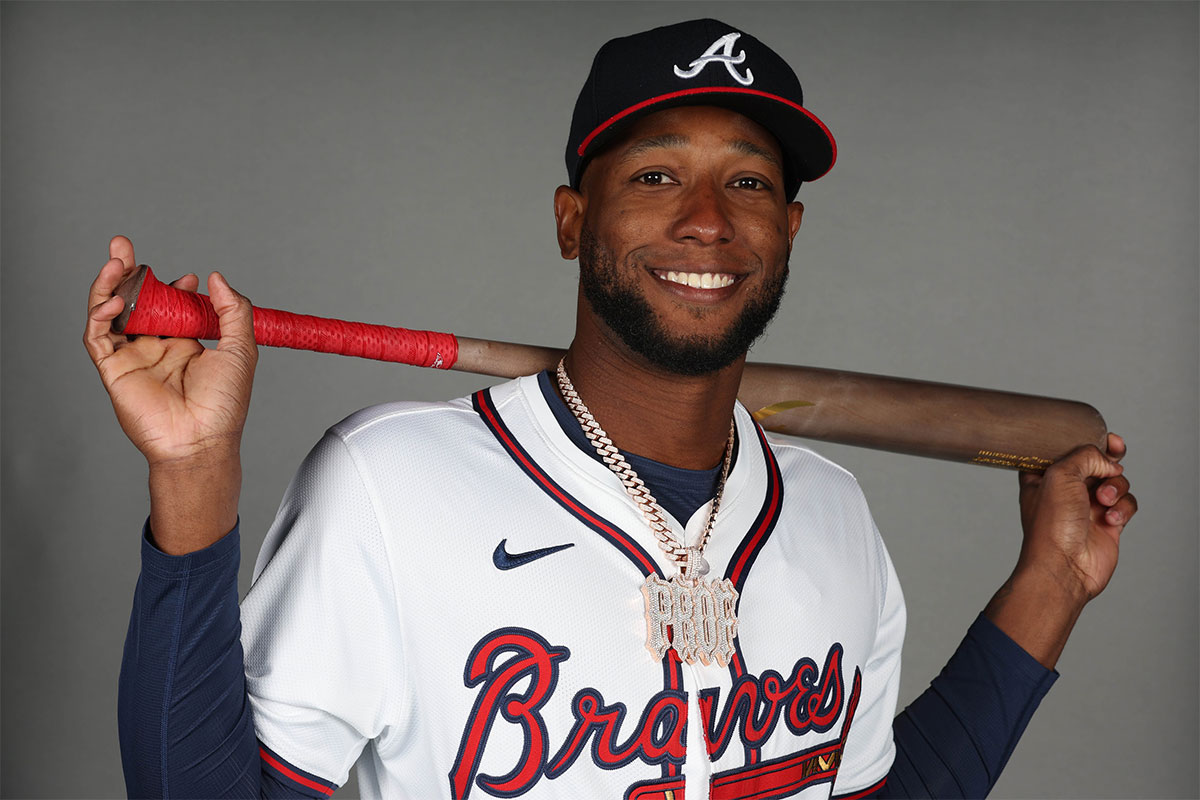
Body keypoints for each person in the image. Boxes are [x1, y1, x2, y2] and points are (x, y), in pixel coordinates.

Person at [84, 18, 1136, 800]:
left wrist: (1052, 583)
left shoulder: (832, 514)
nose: (707, 221)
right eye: (658, 174)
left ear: (792, 228)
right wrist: (192, 471)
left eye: (751, 184)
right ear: (572, 220)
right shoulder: (387, 487)